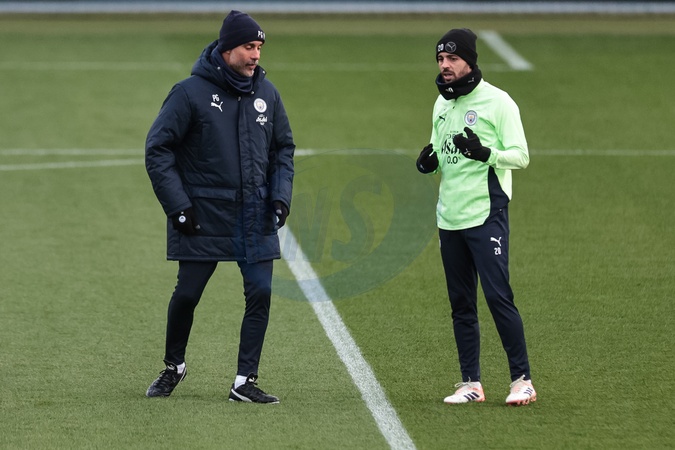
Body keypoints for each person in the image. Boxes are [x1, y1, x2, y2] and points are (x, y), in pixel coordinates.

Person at [144, 10, 295, 404]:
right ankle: (173, 366)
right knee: (187, 294)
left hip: (254, 214)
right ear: (227, 49)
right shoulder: (189, 93)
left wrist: (280, 197)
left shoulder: (267, 95)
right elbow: (158, 149)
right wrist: (178, 206)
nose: (256, 55)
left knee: (260, 291)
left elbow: (283, 149)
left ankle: (244, 381)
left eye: (259, 47)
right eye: (248, 47)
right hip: (203, 216)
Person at [416, 28, 536, 406]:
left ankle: (522, 381)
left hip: (485, 215)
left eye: (452, 58)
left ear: (469, 60)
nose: (445, 65)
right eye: (440, 59)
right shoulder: (441, 104)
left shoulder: (499, 102)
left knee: (498, 297)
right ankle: (471, 383)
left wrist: (487, 154)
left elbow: (521, 155)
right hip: (449, 218)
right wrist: (429, 163)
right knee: (461, 304)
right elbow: (442, 155)